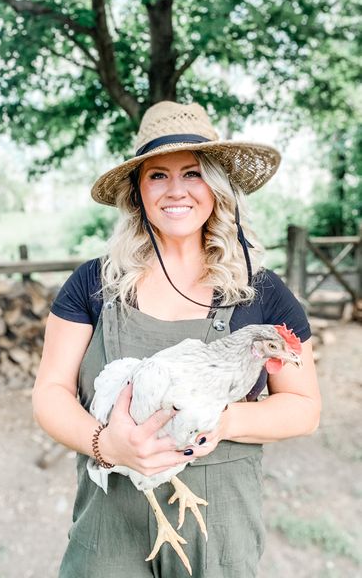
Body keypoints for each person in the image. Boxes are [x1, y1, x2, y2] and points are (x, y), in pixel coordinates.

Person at [32, 101, 321, 578]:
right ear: (137, 193)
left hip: (219, 528)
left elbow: (305, 408)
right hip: (110, 527)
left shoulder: (261, 292)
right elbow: (50, 393)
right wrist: (109, 445)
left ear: (217, 187)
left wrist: (218, 420)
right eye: (157, 176)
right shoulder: (93, 284)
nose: (176, 191)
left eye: (192, 173)